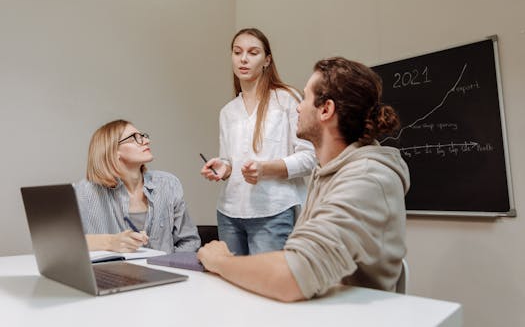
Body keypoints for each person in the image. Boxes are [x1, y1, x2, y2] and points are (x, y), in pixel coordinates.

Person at [197, 57, 410, 302]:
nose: (298, 107)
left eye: (306, 98)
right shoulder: (329, 172)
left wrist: (222, 261)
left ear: (326, 110)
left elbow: (294, 276)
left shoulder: (367, 178)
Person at [200, 28, 316, 255]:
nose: (243, 59)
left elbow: (309, 157)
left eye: (253, 53)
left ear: (267, 60)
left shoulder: (287, 99)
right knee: (230, 285)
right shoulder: (228, 111)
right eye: (237, 52)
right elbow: (229, 161)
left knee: (266, 286)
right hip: (229, 213)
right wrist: (223, 168)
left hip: (273, 211)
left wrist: (266, 169)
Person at [74, 119, 200, 253]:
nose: (146, 141)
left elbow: (190, 242)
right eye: (134, 138)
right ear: (113, 150)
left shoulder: (168, 184)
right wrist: (110, 242)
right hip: (110, 272)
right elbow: (67, 244)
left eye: (143, 136)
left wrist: (169, 266)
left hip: (166, 272)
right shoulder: (85, 192)